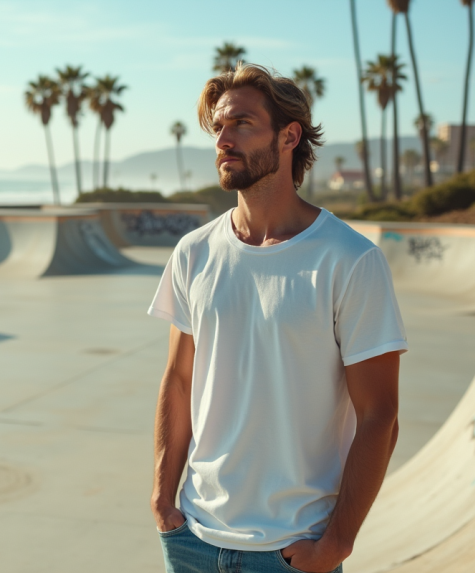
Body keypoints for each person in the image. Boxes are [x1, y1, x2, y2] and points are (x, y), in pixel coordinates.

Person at [148, 63, 408, 573]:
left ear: (290, 136)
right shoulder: (193, 253)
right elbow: (179, 380)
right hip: (193, 539)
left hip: (293, 550)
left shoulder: (348, 260)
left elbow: (380, 416)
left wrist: (338, 543)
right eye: (218, 127)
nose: (223, 139)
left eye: (242, 124)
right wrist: (162, 497)